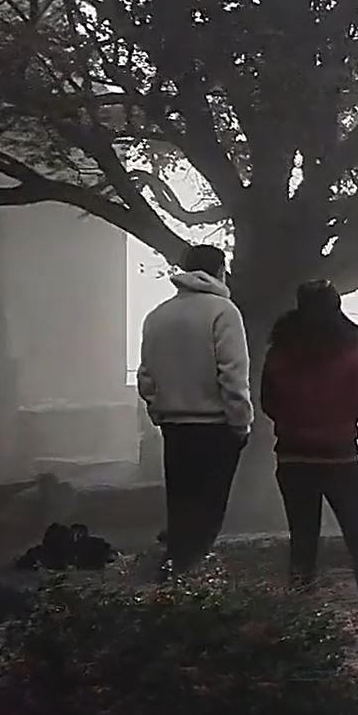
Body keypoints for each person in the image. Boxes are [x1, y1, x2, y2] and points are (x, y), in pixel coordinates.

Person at [260, 281, 358, 644]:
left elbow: (267, 402)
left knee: (302, 543)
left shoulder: (279, 350)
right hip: (339, 457)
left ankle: (298, 628)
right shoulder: (351, 349)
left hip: (292, 457)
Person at [137, 244, 253, 573]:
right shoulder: (223, 312)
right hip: (216, 426)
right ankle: (193, 573)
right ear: (220, 271)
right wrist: (241, 421)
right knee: (209, 509)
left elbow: (146, 375)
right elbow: (232, 373)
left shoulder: (157, 315)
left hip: (174, 425)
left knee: (181, 505)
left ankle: (175, 569)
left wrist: (158, 411)